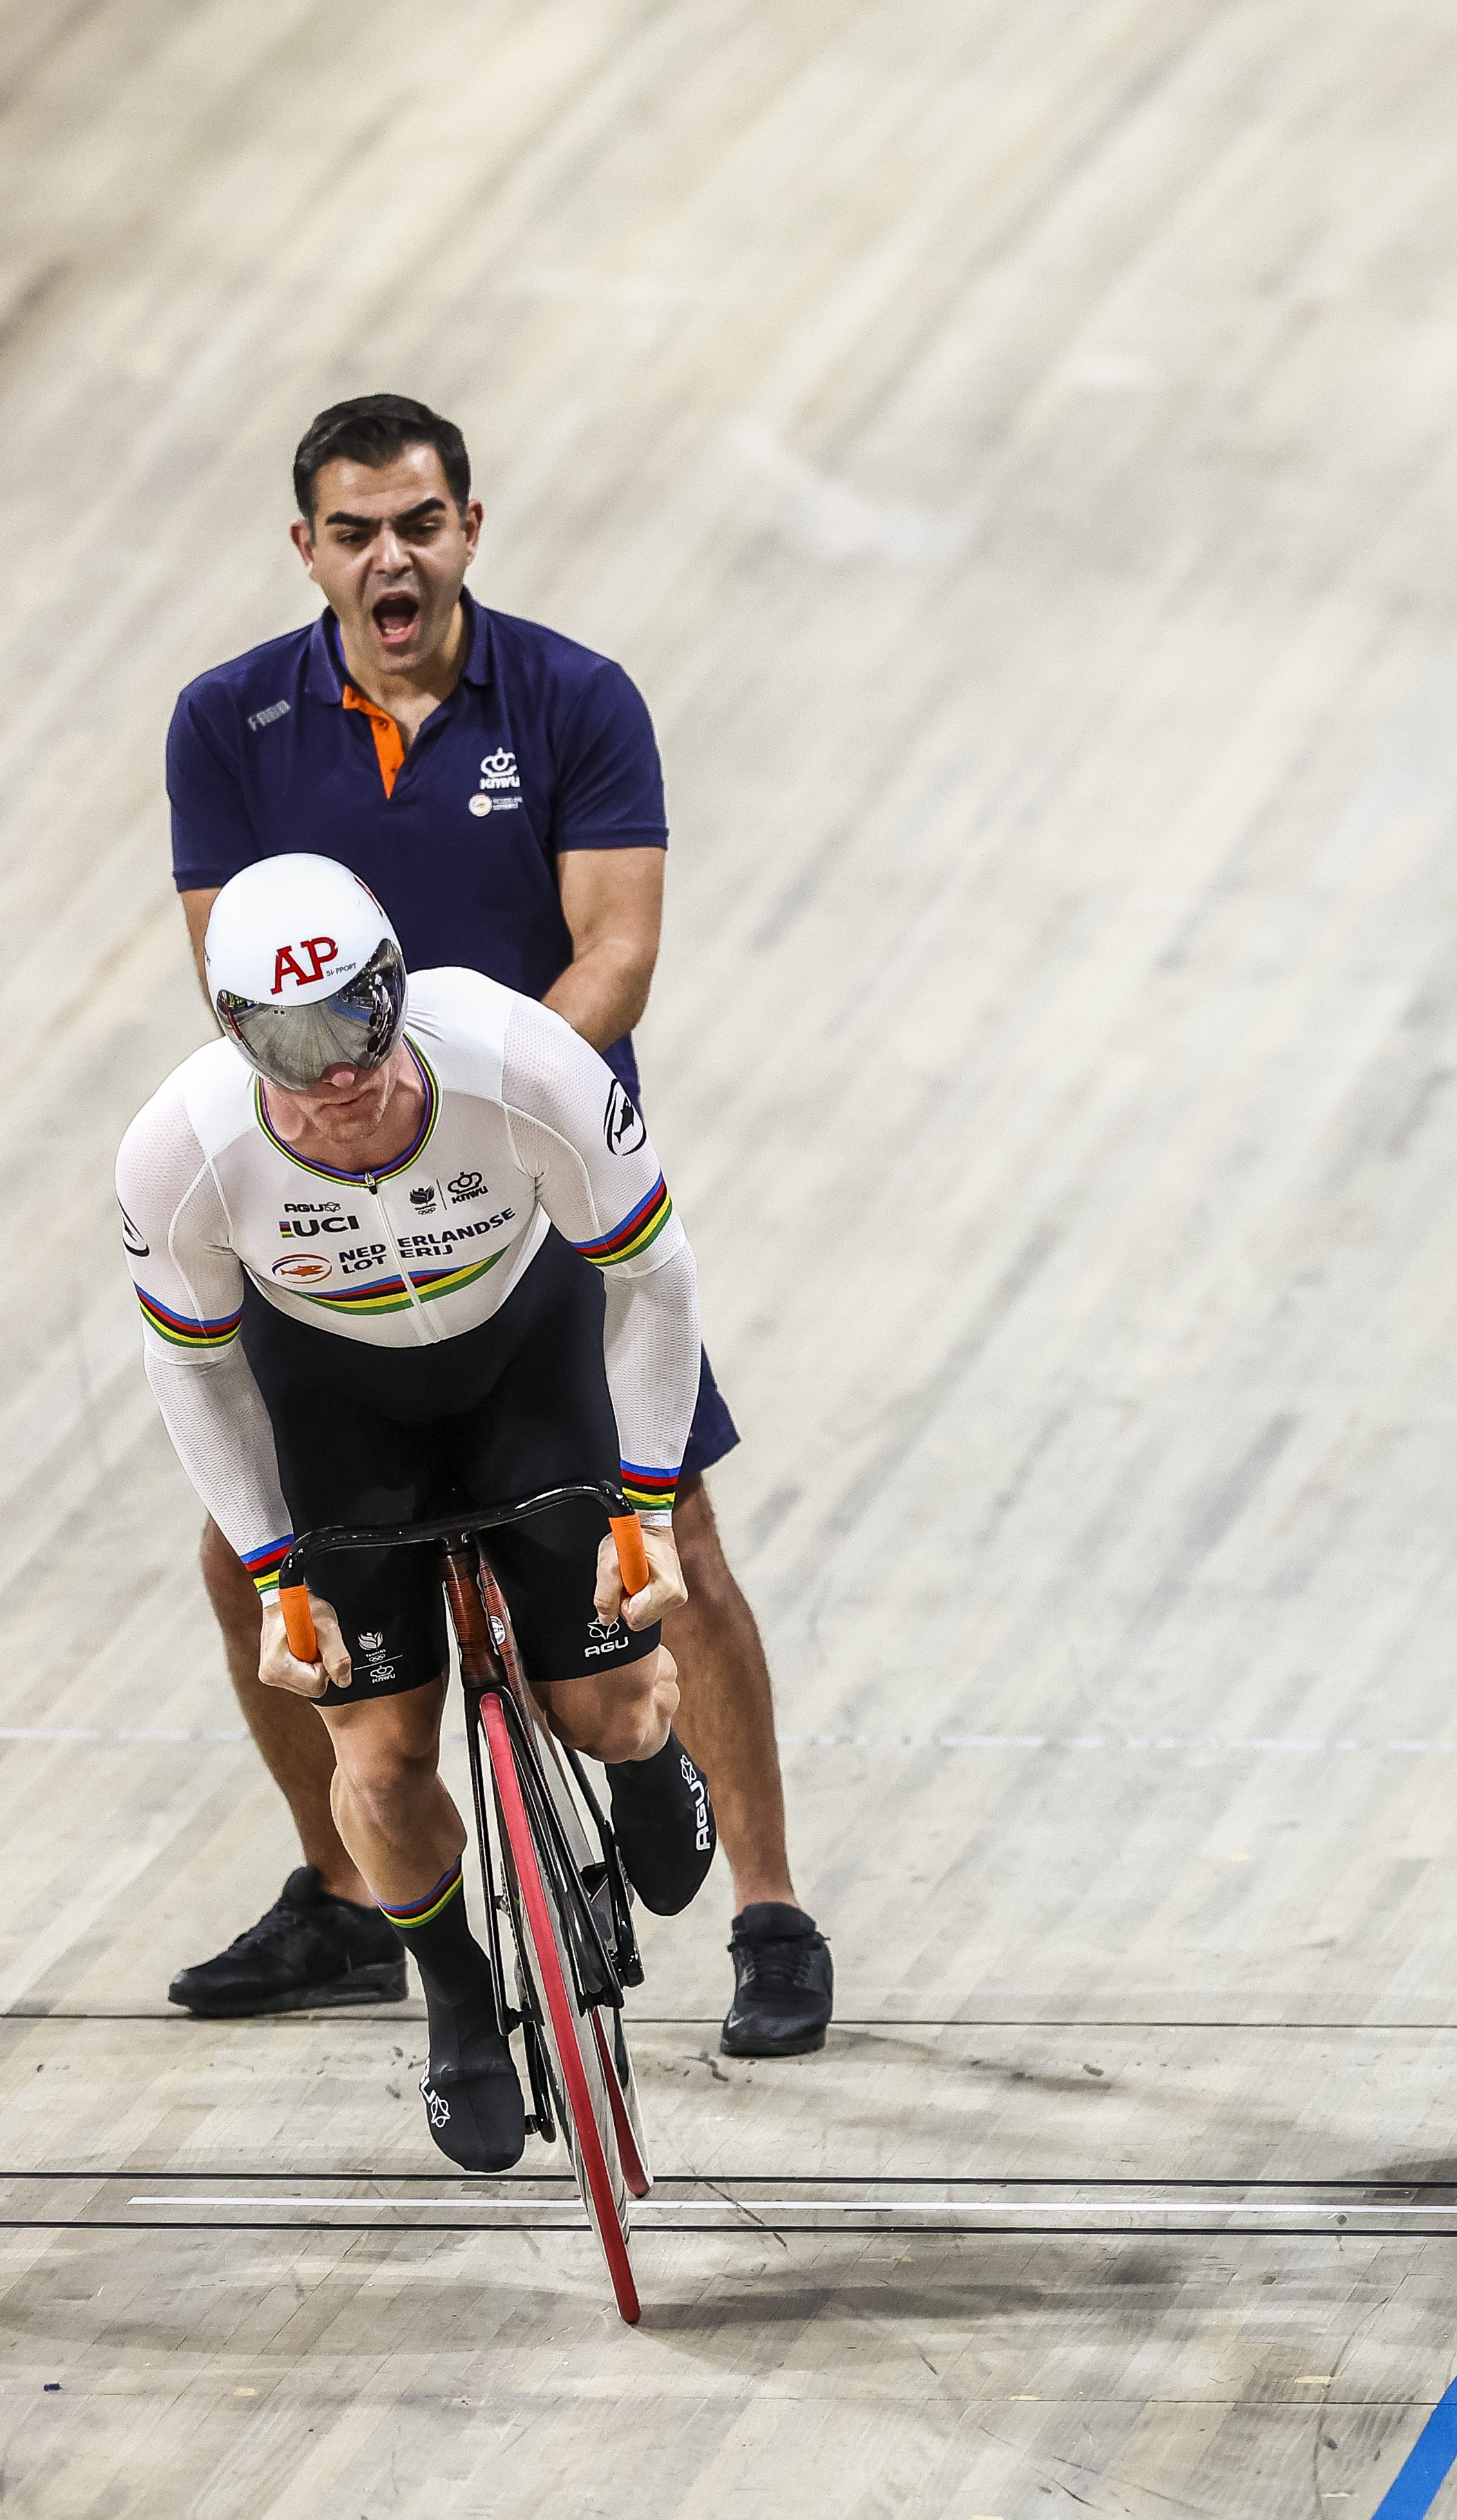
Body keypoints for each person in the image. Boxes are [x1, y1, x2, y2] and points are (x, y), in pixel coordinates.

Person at [158, 393, 830, 2057]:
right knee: (243, 1552)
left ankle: (766, 1905)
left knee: (675, 1541)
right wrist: (350, 1139)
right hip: (326, 1177)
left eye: (421, 522)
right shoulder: (227, 724)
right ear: (306, 549)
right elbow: (229, 976)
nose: (393, 557)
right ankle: (349, 1890)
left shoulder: (573, 699)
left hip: (535, 1176)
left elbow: (614, 956)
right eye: (355, 530)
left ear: (470, 525)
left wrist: (485, 1113)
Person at [120, 856, 721, 2168]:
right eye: (290, 1042)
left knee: (607, 1701)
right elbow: (193, 1366)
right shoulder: (180, 1150)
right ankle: (454, 1992)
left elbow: (654, 1278)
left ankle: (647, 1751)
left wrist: (651, 1503)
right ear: (232, 1037)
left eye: (357, 1021)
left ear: (400, 988)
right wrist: (278, 1576)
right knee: (380, 1764)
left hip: (528, 1363)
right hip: (339, 1411)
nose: (337, 1072)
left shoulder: (527, 1061)